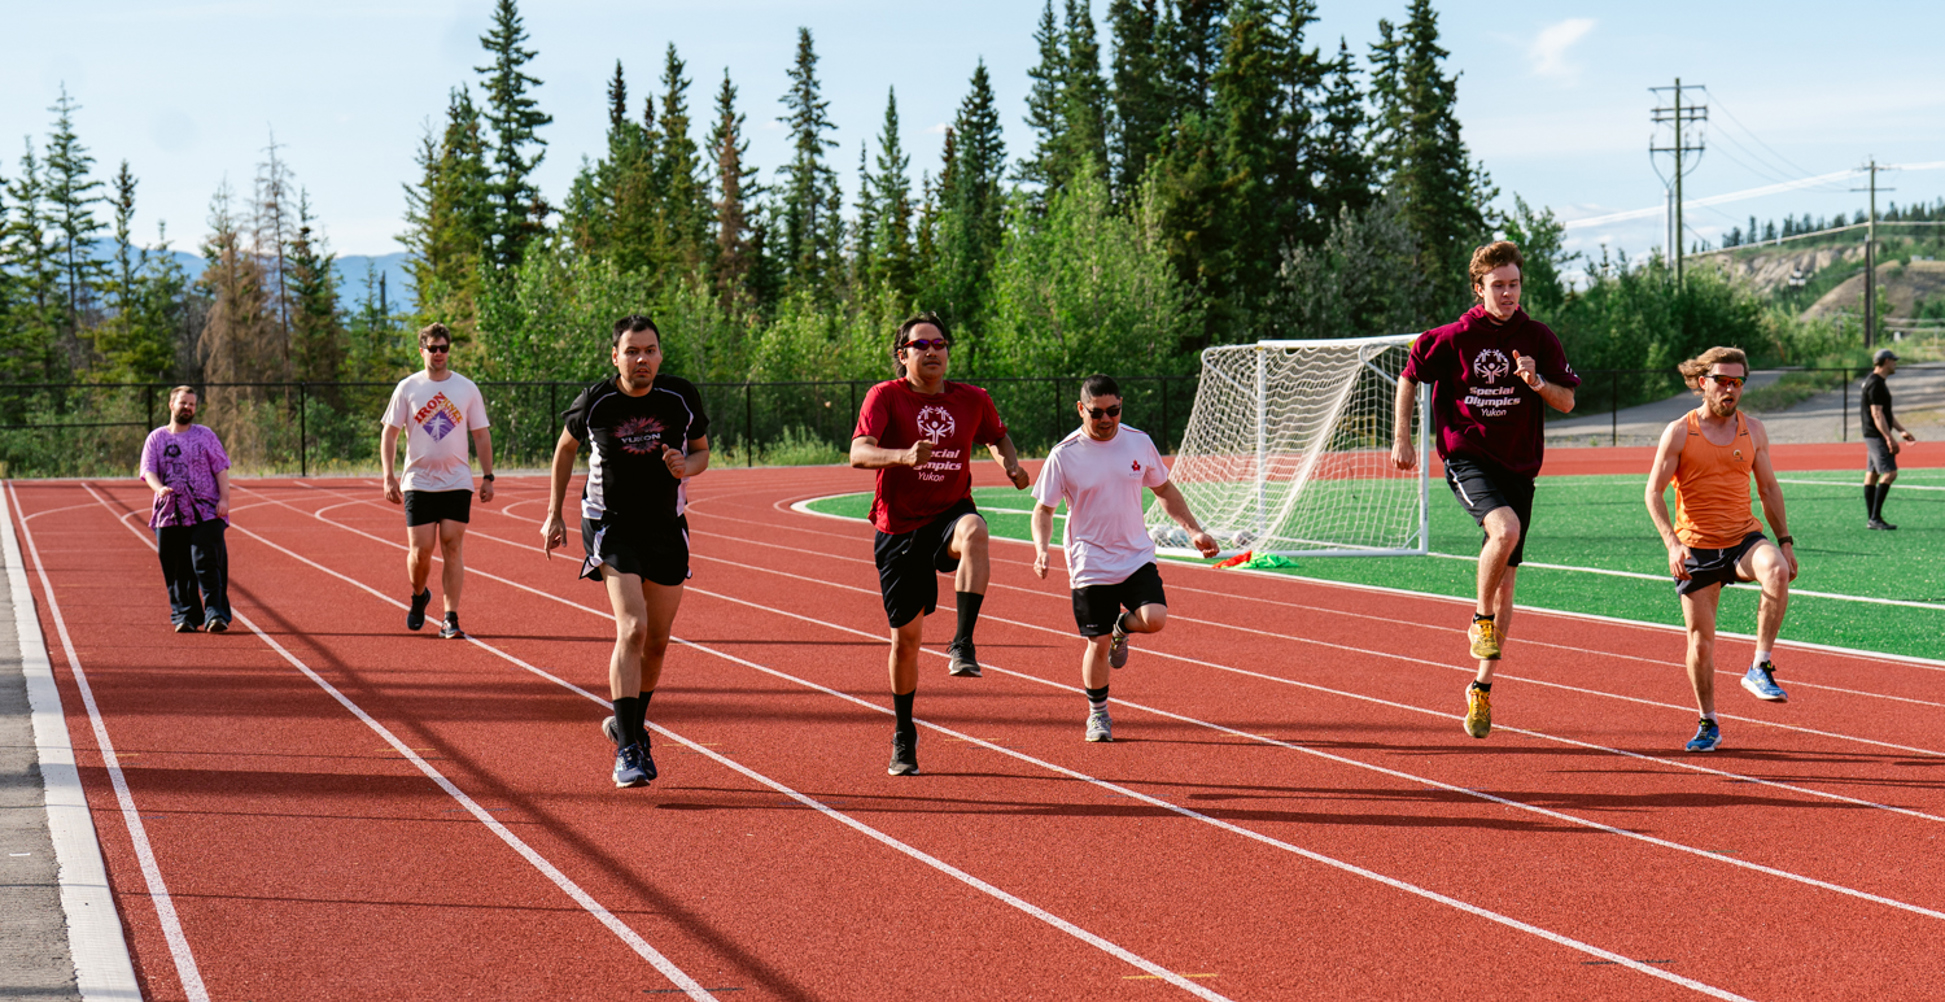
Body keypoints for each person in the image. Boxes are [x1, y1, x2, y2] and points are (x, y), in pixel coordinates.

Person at [1392, 240, 1579, 740]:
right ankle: (1480, 619)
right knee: (1505, 529)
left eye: (1514, 284)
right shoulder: (1449, 338)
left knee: (1509, 581)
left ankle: (1481, 688)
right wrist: (1403, 438)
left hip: (1519, 466)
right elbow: (1409, 378)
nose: (1508, 293)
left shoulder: (1538, 337)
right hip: (1467, 455)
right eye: (1498, 285)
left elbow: (1566, 402)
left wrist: (1536, 382)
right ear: (1479, 289)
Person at [850, 312, 1030, 776]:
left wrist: (1010, 465)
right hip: (900, 528)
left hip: (950, 514)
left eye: (939, 344)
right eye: (920, 345)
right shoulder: (884, 396)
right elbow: (858, 452)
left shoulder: (972, 399)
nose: (931, 351)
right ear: (902, 355)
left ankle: (963, 644)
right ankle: (904, 731)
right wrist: (902, 456)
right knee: (906, 642)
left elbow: (998, 436)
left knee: (976, 531)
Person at [542, 315, 710, 789]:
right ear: (615, 356)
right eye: (632, 351)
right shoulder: (597, 400)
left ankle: (628, 725)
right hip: (611, 526)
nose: (642, 360)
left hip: (666, 528)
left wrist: (686, 466)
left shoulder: (680, 396)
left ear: (660, 355)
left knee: (656, 641)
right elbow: (564, 449)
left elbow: (702, 452)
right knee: (632, 628)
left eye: (650, 350)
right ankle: (630, 748)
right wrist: (554, 513)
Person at [1030, 375, 1219, 742]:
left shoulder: (1138, 441)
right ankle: (1098, 715)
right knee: (1096, 643)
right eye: (1097, 412)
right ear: (1081, 409)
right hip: (1090, 560)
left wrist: (1194, 529)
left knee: (1155, 619)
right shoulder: (1064, 454)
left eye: (1113, 411)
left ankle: (1123, 628)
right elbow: (1043, 510)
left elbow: (1162, 488)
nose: (1106, 419)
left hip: (1134, 554)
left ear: (1121, 406)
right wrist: (1041, 549)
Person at [1645, 346, 1797, 753]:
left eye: (1737, 382)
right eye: (1722, 381)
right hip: (1696, 546)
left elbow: (1767, 488)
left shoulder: (1754, 430)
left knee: (1778, 570)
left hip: (1743, 538)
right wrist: (1672, 543)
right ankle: (1708, 721)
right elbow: (1653, 493)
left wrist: (1784, 541)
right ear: (1702, 383)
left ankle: (1759, 666)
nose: (1730, 389)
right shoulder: (1680, 431)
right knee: (1701, 642)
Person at [381, 322, 495, 639]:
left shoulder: (467, 388)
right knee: (421, 552)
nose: (440, 353)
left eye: (444, 347)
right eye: (433, 348)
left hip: (457, 480)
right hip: (418, 482)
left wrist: (487, 476)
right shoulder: (408, 388)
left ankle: (450, 617)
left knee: (452, 546)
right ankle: (419, 596)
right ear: (422, 351)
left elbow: (481, 434)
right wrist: (388, 475)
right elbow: (389, 434)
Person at [139, 386, 234, 633]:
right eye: (183, 403)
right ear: (171, 405)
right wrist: (159, 488)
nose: (187, 408)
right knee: (177, 567)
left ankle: (216, 614)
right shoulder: (156, 438)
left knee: (206, 560)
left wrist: (224, 500)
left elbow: (221, 469)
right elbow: (148, 470)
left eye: (191, 404)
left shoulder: (206, 435)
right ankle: (185, 616)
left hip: (207, 511)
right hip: (169, 513)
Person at [1860, 347, 1917, 530]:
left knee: (1873, 474)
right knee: (1890, 473)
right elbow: (1877, 414)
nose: (1895, 364)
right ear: (1885, 362)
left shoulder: (1876, 381)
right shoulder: (1875, 383)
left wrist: (1901, 431)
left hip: (1873, 433)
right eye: (1893, 360)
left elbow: (1885, 414)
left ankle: (1873, 518)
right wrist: (1888, 438)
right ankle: (1874, 518)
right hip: (1876, 434)